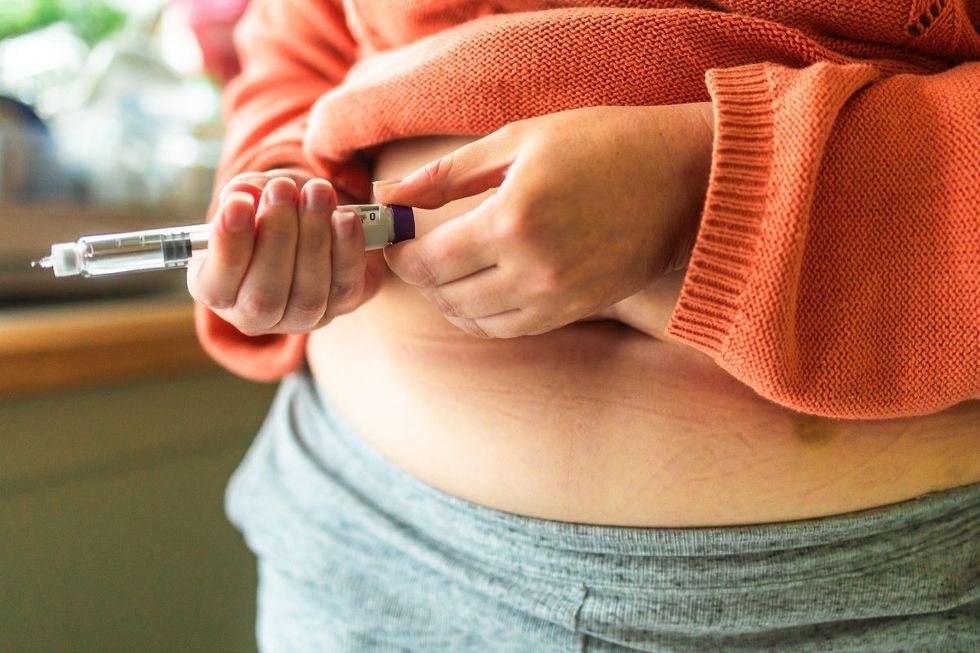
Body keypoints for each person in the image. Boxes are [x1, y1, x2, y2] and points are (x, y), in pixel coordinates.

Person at [186, 1, 980, 650]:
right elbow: (301, 38)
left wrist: (698, 187)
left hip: (853, 597)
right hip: (363, 546)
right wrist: (281, 180)